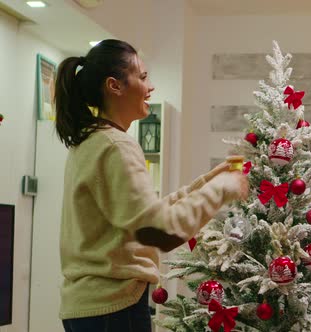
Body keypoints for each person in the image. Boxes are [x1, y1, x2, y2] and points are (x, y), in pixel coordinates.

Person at [54, 39, 248, 332]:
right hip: (114, 310)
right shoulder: (117, 146)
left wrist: (208, 181)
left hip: (91, 310)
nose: (150, 86)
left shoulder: (92, 141)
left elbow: (142, 217)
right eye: (143, 77)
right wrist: (222, 190)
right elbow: (159, 231)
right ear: (114, 86)